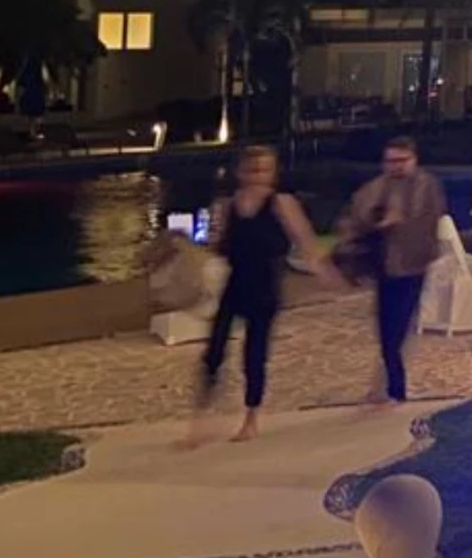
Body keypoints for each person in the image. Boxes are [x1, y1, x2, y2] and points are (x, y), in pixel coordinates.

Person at [190, 144, 333, 445]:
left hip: (266, 288)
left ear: (272, 173)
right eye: (253, 170)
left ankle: (250, 419)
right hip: (236, 283)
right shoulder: (228, 205)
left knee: (253, 355)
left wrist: (323, 271)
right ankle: (200, 419)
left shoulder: (282, 204)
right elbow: (217, 246)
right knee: (214, 351)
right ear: (241, 172)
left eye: (264, 170)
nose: (258, 176)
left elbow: (305, 240)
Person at [341, 135, 446, 407]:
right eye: (391, 161)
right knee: (387, 329)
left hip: (413, 265)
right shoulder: (375, 189)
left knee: (397, 329)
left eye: (402, 161)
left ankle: (395, 388)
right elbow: (358, 217)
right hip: (384, 266)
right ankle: (391, 385)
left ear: (414, 160)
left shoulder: (426, 186)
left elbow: (426, 221)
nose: (397, 167)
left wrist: (398, 222)